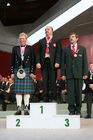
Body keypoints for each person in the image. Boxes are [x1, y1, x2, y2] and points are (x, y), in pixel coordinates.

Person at [61, 33, 88, 116]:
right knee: (70, 93)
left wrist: (85, 73)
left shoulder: (82, 49)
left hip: (79, 75)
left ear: (77, 38)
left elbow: (85, 62)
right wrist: (63, 74)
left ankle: (78, 110)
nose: (71, 38)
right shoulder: (65, 49)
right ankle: (71, 109)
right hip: (69, 75)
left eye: (73, 37)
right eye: (70, 37)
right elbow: (63, 63)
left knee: (79, 93)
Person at [11, 32, 36, 115]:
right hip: (17, 70)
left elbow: (33, 61)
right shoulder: (15, 48)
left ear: (26, 39)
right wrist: (12, 72)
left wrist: (32, 72)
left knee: (26, 91)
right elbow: (12, 61)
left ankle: (26, 108)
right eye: (20, 38)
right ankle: (18, 109)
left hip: (27, 69)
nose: (22, 40)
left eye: (23, 38)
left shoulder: (30, 48)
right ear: (19, 39)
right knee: (18, 91)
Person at [36, 26, 61, 102]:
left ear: (52, 31)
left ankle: (53, 98)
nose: (46, 31)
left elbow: (59, 52)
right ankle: (45, 98)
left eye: (48, 29)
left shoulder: (56, 40)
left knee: (53, 81)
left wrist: (57, 61)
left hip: (53, 63)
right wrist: (38, 62)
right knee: (44, 81)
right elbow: (38, 53)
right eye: (45, 30)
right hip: (44, 63)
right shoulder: (41, 41)